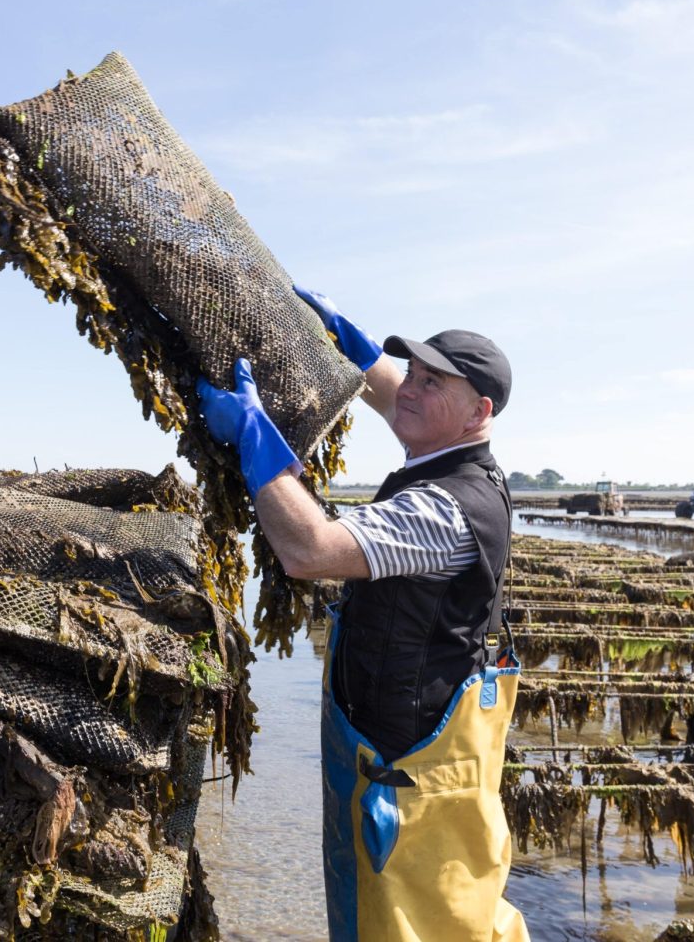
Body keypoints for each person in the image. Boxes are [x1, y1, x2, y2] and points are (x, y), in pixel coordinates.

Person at [197, 286, 529, 942]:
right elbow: (395, 395)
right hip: (418, 760)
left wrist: (256, 442)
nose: (409, 388)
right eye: (412, 371)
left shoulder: (447, 509)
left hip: (409, 789)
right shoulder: (452, 454)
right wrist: (354, 345)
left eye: (433, 382)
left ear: (479, 411)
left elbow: (308, 550)